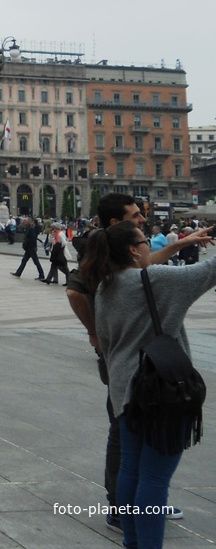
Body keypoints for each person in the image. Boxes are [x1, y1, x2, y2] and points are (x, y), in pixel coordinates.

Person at [66, 193, 204, 534]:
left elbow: (142, 265)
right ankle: (134, 516)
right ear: (121, 231)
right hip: (152, 380)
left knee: (129, 458)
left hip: (123, 374)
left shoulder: (107, 279)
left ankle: (127, 519)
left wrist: (97, 335)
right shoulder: (143, 278)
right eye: (137, 221)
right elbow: (206, 270)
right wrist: (94, 333)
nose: (143, 222)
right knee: (147, 469)